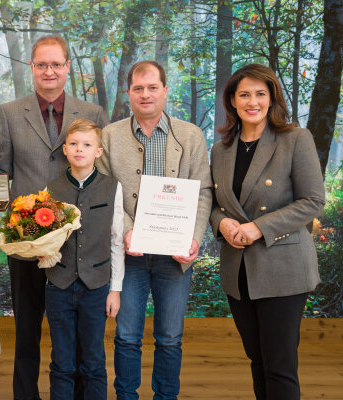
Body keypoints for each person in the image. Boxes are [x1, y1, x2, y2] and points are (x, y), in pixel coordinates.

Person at [0, 35, 106, 400]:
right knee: (27, 331)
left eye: (56, 64)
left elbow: (99, 174)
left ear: (67, 67)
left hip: (74, 243)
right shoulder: (11, 112)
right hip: (26, 239)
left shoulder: (91, 114)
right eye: (41, 64)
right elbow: (1, 166)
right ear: (32, 68)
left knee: (77, 335)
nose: (49, 71)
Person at [96, 60, 212, 399]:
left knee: (171, 337)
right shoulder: (110, 136)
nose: (145, 94)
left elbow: (203, 191)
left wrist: (193, 238)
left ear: (164, 90)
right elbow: (103, 191)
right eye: (138, 88)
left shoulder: (189, 135)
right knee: (127, 335)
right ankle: (126, 396)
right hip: (128, 254)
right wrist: (128, 229)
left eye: (152, 87)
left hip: (174, 256)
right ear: (128, 92)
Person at [210, 64, 325, 400]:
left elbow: (313, 201)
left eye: (261, 94)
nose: (252, 101)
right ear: (232, 100)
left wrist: (258, 227)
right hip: (239, 271)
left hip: (283, 268)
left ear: (272, 98)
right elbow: (215, 202)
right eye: (244, 94)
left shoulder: (295, 139)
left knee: (279, 364)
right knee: (257, 359)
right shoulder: (221, 149)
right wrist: (221, 222)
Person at [44, 119, 124, 400]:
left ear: (98, 152)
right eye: (74, 144)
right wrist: (43, 253)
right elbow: (47, 238)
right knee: (62, 363)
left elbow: (116, 240)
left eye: (87, 145)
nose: (80, 149)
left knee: (93, 362)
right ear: (65, 149)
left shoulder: (112, 187)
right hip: (59, 285)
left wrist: (115, 289)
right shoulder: (50, 189)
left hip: (97, 287)